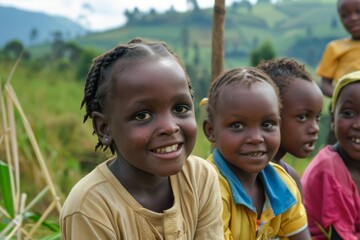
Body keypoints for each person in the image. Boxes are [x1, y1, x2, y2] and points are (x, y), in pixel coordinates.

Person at [60, 38, 223, 239]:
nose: (170, 127)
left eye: (180, 108)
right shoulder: (91, 207)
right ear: (104, 128)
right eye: (142, 115)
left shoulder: (200, 178)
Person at [202, 67, 311, 239]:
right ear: (211, 130)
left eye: (267, 124)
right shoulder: (209, 188)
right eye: (237, 125)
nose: (256, 138)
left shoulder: (283, 184)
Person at [301, 70, 360, 240]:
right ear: (333, 119)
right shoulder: (328, 170)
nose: (358, 124)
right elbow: (339, 237)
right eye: (348, 113)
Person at [257, 58, 323, 196]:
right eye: (303, 117)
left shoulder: (290, 177)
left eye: (317, 117)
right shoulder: (246, 174)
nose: (315, 128)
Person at [316, 0, 360, 144]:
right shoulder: (334, 48)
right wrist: (342, 95)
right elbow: (324, 84)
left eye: (358, 12)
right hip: (344, 109)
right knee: (337, 148)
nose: (352, 18)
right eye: (345, 15)